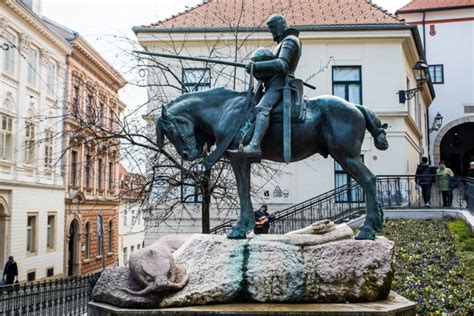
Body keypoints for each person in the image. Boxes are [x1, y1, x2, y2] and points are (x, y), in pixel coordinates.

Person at [239, 14, 302, 156]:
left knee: (262, 109)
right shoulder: (282, 43)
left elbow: (282, 65)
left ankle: (255, 146)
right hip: (274, 83)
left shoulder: (290, 40)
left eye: (273, 28)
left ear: (281, 24)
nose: (272, 32)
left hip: (281, 84)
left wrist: (258, 65)